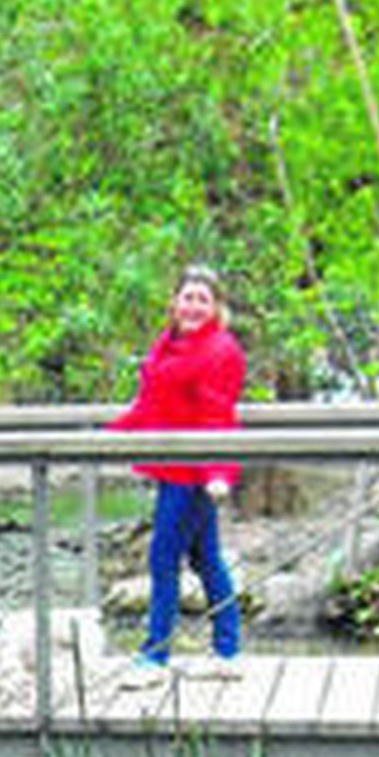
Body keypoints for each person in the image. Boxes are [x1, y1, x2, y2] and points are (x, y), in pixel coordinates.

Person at [109, 264, 246, 667]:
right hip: (171, 468)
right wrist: (110, 434)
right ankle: (227, 650)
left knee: (163, 558)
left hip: (196, 474)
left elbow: (218, 414)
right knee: (206, 559)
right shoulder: (167, 343)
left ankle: (156, 654)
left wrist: (218, 473)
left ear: (217, 307)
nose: (194, 306)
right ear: (174, 303)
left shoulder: (220, 350)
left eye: (203, 300)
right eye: (188, 297)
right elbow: (151, 404)